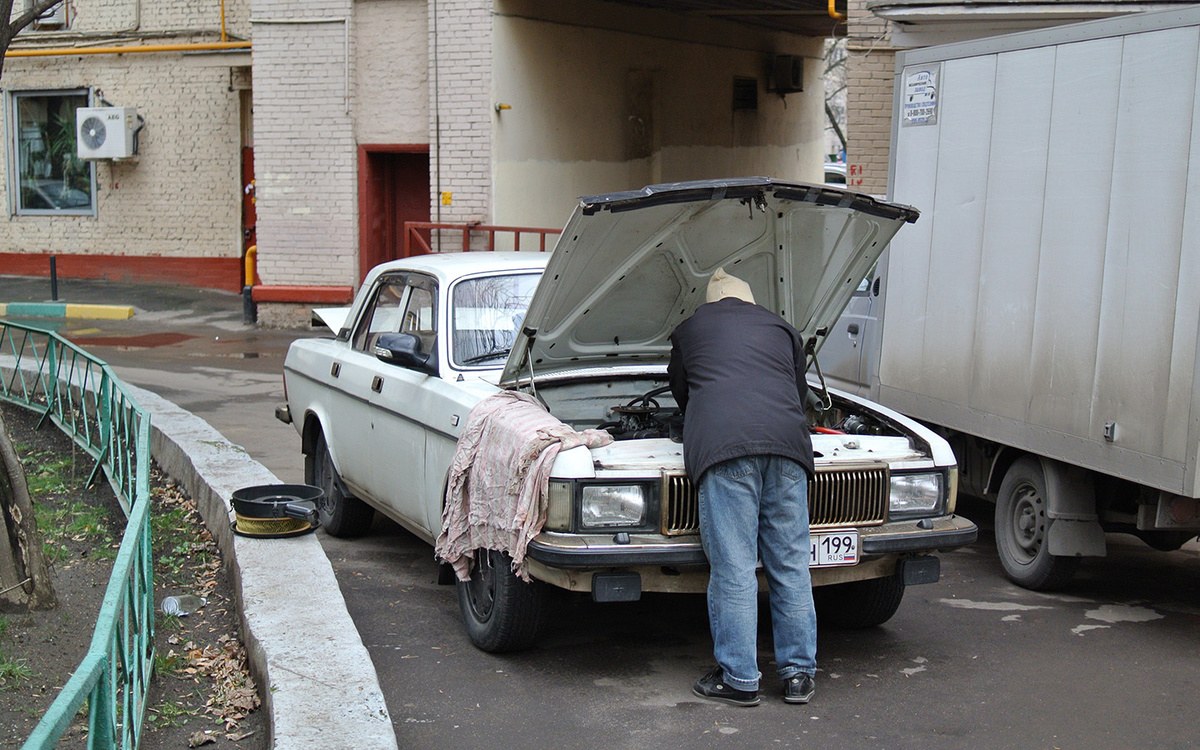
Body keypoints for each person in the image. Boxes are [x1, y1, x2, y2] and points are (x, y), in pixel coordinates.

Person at [668, 267, 817, 707]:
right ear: (751, 302)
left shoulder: (691, 329)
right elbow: (797, 390)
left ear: (712, 303)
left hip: (725, 449)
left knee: (734, 566)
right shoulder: (783, 329)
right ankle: (798, 675)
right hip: (788, 448)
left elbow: (682, 391)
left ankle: (739, 677)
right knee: (790, 563)